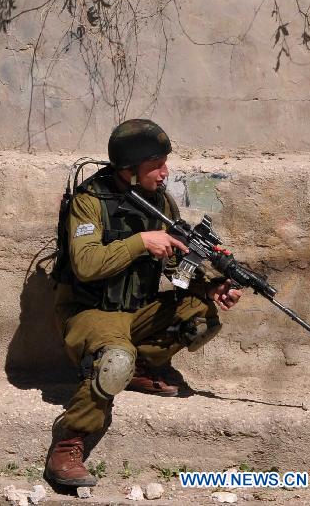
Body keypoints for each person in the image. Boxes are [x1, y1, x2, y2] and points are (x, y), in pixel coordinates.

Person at [44, 119, 241, 487]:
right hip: (91, 313)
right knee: (114, 359)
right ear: (129, 170)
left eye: (166, 163)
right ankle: (69, 443)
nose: (166, 173)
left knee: (200, 317)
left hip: (136, 310)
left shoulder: (160, 201)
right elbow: (85, 265)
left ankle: (138, 370)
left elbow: (176, 266)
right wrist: (140, 242)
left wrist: (210, 288)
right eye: (157, 165)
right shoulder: (90, 202)